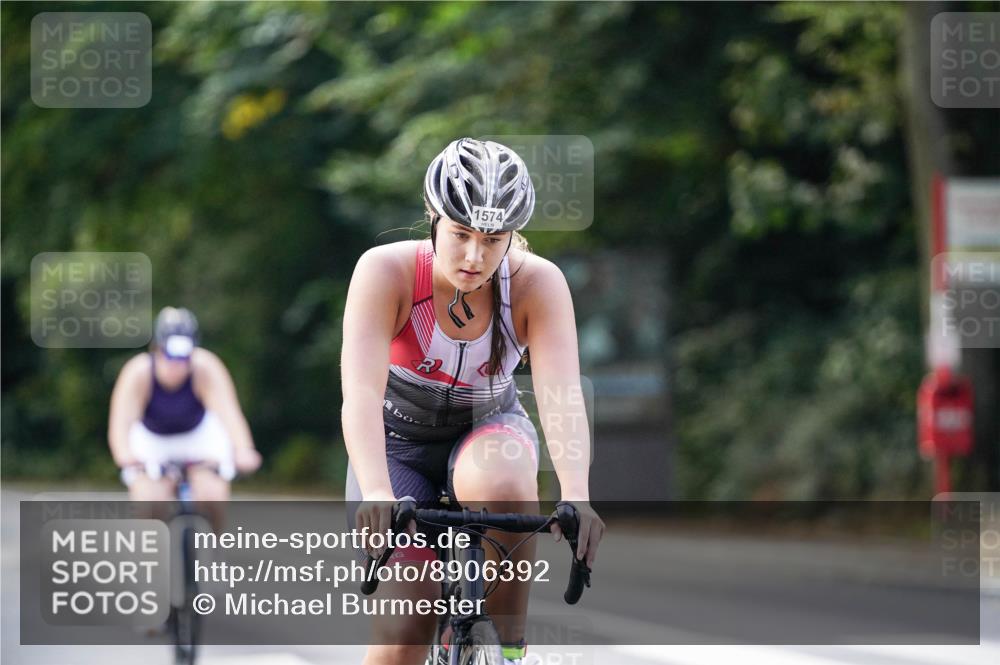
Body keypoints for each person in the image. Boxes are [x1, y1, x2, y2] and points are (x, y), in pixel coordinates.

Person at [342, 138, 604, 665]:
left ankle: (507, 646)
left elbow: (560, 394)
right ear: (433, 219)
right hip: (399, 444)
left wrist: (577, 493)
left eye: (492, 239)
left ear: (511, 236)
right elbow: (362, 392)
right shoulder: (386, 271)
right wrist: (375, 489)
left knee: (504, 480)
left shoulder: (536, 283)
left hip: (489, 429)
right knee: (401, 637)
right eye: (460, 234)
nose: (473, 256)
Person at [108, 307, 261, 528]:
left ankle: (213, 550)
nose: (176, 364)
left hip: (199, 436)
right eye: (170, 355)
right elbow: (121, 422)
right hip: (153, 440)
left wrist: (243, 448)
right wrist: (125, 456)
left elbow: (228, 412)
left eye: (183, 356)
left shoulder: (205, 367)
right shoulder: (138, 372)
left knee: (212, 495)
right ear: (157, 348)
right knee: (150, 504)